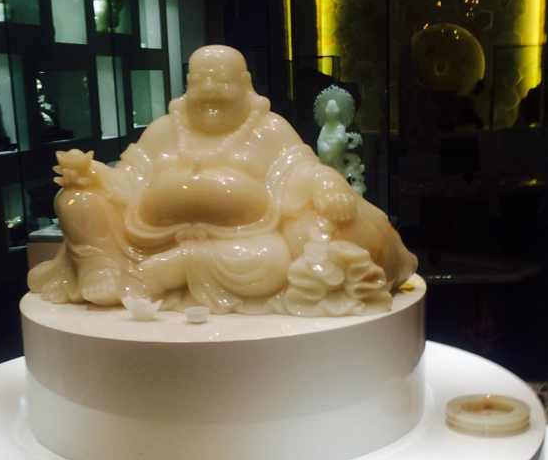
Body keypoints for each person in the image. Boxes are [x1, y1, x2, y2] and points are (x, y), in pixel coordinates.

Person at [29, 45, 416, 314]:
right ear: (187, 83)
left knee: (274, 261)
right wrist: (93, 174)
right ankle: (102, 267)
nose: (211, 90)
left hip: (244, 240)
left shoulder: (269, 129)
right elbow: (130, 178)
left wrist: (327, 184)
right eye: (201, 81)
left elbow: (301, 167)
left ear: (246, 83)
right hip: (145, 234)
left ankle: (172, 270)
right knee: (77, 201)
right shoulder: (165, 129)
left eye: (223, 81)